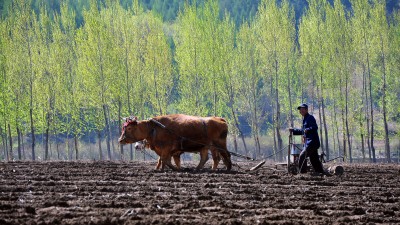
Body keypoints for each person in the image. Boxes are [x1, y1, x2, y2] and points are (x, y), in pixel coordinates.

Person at [289, 103, 326, 175]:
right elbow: (302, 131)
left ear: (306, 110)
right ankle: (320, 172)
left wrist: (308, 129)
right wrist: (293, 130)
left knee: (302, 155)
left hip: (312, 142)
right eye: (300, 110)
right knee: (314, 159)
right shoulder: (305, 119)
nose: (301, 111)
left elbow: (315, 127)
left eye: (302, 109)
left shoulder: (310, 118)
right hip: (310, 143)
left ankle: (302, 174)